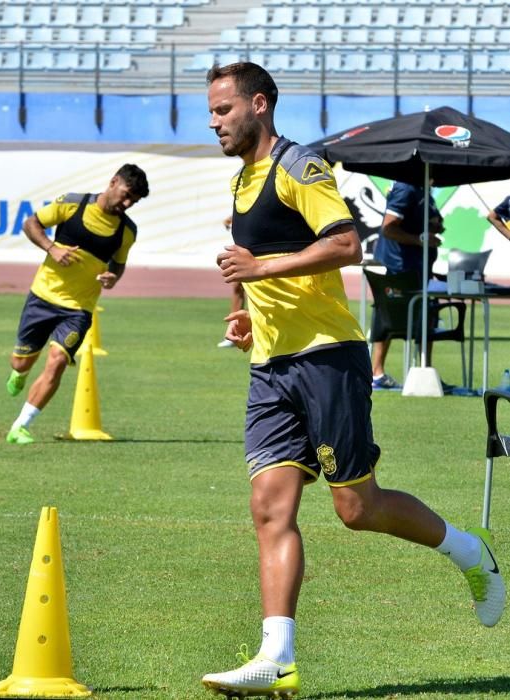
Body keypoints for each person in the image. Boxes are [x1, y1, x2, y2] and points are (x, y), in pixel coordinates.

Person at [202, 62, 505, 698]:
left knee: (356, 509)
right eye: (211, 111)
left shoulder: (300, 166)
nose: (214, 121)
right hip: (270, 368)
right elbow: (247, 264)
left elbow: (345, 246)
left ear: (259, 104)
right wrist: (242, 315)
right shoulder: (241, 181)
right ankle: (276, 656)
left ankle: (468, 551)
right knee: (269, 508)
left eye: (224, 110)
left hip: (326, 359)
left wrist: (260, 270)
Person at [5, 163, 149, 445]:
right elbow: (30, 223)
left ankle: (21, 426)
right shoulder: (73, 204)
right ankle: (20, 373)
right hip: (43, 297)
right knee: (20, 361)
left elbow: (118, 265)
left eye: (134, 200)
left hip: (78, 309)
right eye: (127, 194)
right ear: (113, 182)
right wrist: (52, 248)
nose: (128, 203)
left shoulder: (127, 231)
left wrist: (112, 278)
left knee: (58, 361)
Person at [370, 181, 444, 390]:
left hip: (418, 268)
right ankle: (376, 372)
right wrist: (420, 239)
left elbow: (432, 219)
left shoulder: (424, 191)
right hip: (398, 268)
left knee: (427, 315)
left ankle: (426, 372)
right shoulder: (406, 188)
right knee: (389, 316)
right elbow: (389, 227)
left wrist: (434, 226)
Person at [217, 215, 246, 348]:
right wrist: (232, 217)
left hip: (264, 244)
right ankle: (235, 329)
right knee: (237, 284)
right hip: (248, 242)